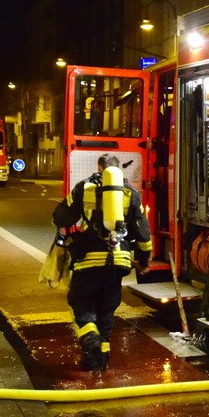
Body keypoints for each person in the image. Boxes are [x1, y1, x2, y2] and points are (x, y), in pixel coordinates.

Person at [53, 154, 152, 371]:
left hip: (89, 259)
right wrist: (144, 261)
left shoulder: (85, 188)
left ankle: (90, 339)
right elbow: (143, 233)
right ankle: (99, 359)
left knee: (81, 304)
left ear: (100, 168)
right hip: (119, 261)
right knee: (106, 312)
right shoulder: (131, 193)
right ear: (119, 171)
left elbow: (60, 217)